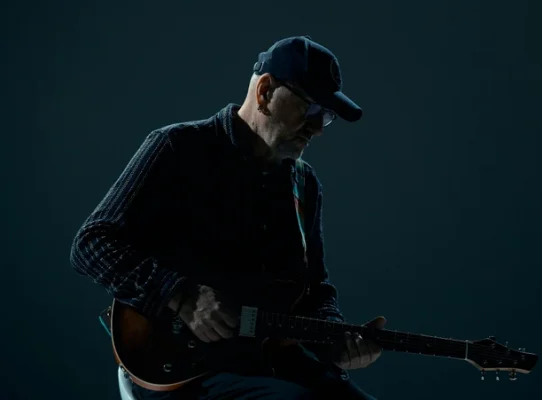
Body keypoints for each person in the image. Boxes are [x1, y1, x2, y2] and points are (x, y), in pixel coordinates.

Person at [69, 35, 384, 399]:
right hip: (183, 372)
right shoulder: (179, 148)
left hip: (267, 363)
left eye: (326, 117)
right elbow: (91, 243)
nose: (317, 129)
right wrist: (180, 294)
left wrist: (335, 338)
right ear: (265, 92)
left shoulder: (304, 185)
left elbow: (315, 289)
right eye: (311, 110)